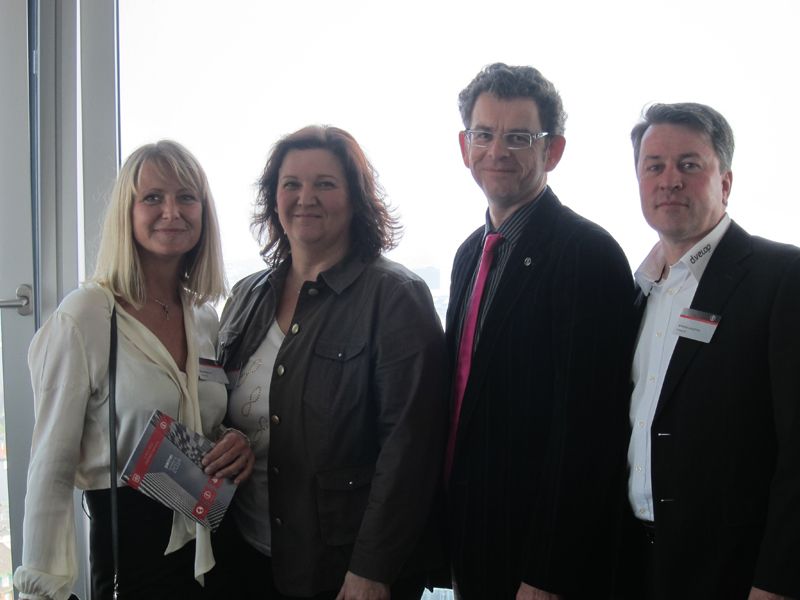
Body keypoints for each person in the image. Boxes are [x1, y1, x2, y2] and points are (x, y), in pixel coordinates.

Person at [214, 125, 447, 600]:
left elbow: (410, 451)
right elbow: (219, 406)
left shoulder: (395, 297)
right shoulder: (246, 296)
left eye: (325, 183)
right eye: (291, 184)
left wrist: (373, 569)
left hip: (340, 571)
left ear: (356, 198)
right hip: (245, 554)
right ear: (273, 198)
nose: (306, 198)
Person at [14, 140, 254, 600]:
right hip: (134, 548)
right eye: (153, 198)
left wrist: (235, 441)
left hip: (218, 539)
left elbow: (201, 419)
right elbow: (50, 468)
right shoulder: (87, 315)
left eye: (187, 197)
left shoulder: (204, 318)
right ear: (128, 212)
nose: (172, 211)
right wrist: (40, 591)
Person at [445, 63, 636, 599]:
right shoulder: (469, 254)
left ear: (552, 151)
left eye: (519, 137)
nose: (497, 151)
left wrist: (547, 571)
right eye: (484, 134)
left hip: (536, 556)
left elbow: (589, 433)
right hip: (472, 535)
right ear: (465, 145)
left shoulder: (586, 254)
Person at [616, 102, 800, 600]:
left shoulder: (782, 278)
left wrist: (778, 581)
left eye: (689, 165)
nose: (669, 180)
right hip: (635, 563)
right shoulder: (636, 291)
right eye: (654, 166)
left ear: (725, 182)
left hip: (735, 574)